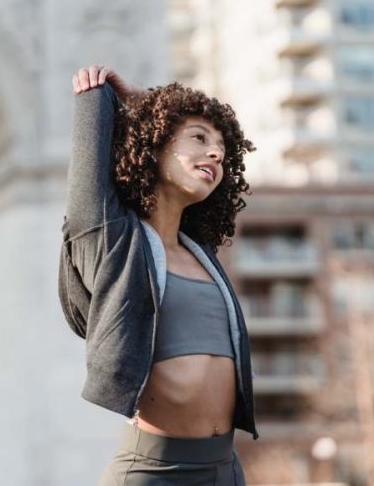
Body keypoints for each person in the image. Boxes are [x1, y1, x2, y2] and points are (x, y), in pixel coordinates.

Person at [59, 64, 259, 485]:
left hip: (225, 469)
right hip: (154, 471)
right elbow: (85, 198)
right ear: (155, 145)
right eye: (199, 138)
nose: (215, 153)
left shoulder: (201, 255)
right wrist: (111, 102)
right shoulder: (118, 243)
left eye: (221, 147)